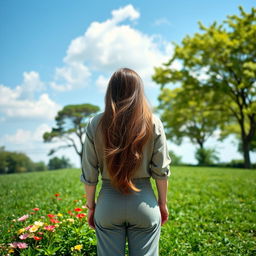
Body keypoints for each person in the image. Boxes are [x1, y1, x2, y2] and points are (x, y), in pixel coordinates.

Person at [80, 68, 171, 256]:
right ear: (139, 91)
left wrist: (91, 207)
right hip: (144, 203)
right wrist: (162, 203)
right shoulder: (153, 122)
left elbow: (89, 173)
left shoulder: (94, 123)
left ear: (110, 91)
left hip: (108, 203)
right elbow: (161, 170)